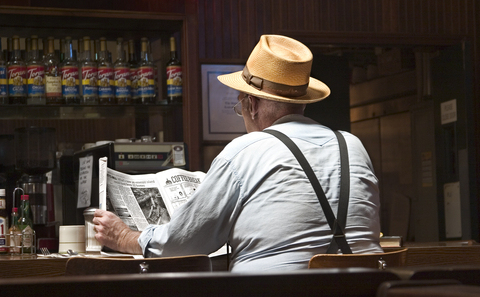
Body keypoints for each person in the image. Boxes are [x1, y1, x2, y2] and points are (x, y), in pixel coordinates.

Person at [93, 34, 383, 271]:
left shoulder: (246, 150)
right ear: (302, 101)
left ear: (252, 104)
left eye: (239, 104)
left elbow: (182, 243)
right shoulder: (352, 145)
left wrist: (124, 236)